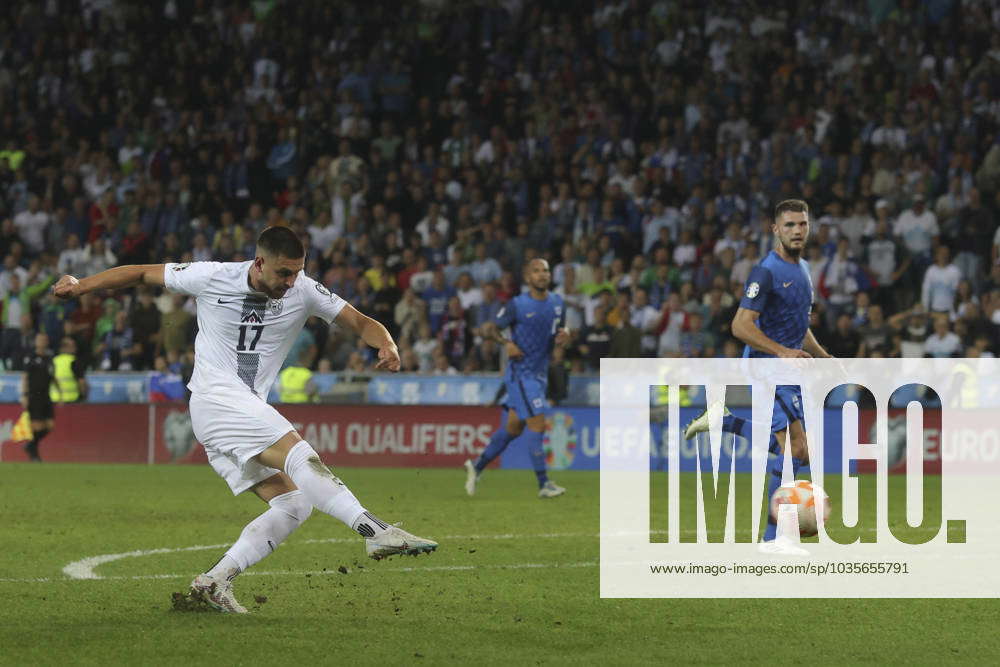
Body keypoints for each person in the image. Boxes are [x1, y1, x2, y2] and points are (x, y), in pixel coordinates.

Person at [53, 226, 437, 614]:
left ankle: (213, 582)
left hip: (236, 410)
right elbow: (139, 272)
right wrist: (81, 285)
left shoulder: (304, 289)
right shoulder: (213, 276)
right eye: (283, 273)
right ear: (258, 263)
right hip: (216, 399)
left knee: (294, 504)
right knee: (297, 452)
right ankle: (374, 531)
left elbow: (360, 321)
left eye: (297, 272)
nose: (290, 282)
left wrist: (386, 342)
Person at [683, 199, 832, 555]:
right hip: (767, 367)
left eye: (803, 224)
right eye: (790, 225)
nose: (798, 230)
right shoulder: (765, 272)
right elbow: (740, 325)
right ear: (775, 229)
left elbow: (799, 326)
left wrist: (824, 356)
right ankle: (775, 538)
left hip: (786, 367)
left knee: (802, 451)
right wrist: (782, 352)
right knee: (791, 450)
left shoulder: (805, 269)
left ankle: (726, 422)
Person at [463, 258, 571, 498]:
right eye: (536, 271)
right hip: (521, 374)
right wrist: (507, 343)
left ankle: (477, 466)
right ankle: (544, 484)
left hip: (539, 374)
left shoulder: (557, 303)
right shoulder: (517, 305)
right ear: (528, 277)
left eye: (545, 270)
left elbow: (560, 330)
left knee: (513, 428)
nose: (542, 274)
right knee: (538, 424)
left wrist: (565, 335)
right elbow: (491, 328)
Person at [20, 332, 56, 462]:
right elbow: (25, 377)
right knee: (38, 427)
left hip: (46, 396)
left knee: (50, 425)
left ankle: (30, 445)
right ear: (36, 342)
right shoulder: (30, 358)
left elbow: (52, 376)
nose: (42, 342)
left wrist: (60, 390)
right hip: (34, 396)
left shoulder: (50, 359)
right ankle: (34, 455)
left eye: (44, 340)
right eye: (40, 339)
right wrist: (24, 395)